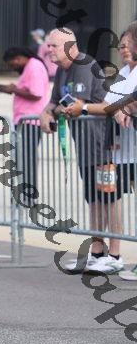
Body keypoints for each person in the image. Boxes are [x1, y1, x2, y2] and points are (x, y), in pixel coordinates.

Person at [64, 28, 137, 276]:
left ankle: (114, 255)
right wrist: (116, 108)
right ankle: (101, 254)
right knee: (102, 199)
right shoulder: (124, 73)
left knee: (111, 200)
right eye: (120, 46)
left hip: (125, 149)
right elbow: (109, 105)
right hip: (120, 150)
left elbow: (120, 104)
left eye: (127, 45)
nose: (122, 50)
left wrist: (114, 107)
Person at [40, 28, 107, 273]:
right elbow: (54, 100)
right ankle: (97, 252)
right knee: (93, 198)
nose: (49, 50)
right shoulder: (62, 69)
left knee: (106, 198)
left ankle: (109, 254)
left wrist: (54, 110)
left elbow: (74, 104)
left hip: (102, 142)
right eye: (48, 46)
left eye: (54, 46)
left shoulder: (84, 64)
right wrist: (45, 112)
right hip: (84, 144)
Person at [0, 47, 49, 201]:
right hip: (24, 122)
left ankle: (28, 196)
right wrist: (14, 89)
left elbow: (36, 94)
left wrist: (14, 89)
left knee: (27, 160)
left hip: (30, 122)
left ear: (18, 58)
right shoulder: (30, 66)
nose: (12, 67)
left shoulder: (34, 66)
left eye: (12, 64)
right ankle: (24, 193)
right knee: (22, 160)